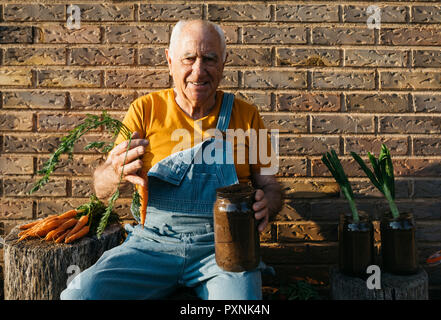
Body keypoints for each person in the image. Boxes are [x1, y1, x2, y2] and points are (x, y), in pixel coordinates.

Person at [60, 19, 282, 300]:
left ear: (224, 62)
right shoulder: (144, 110)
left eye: (209, 59)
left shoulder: (248, 116)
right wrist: (113, 172)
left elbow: (272, 187)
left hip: (224, 247)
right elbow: (101, 188)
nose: (198, 71)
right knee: (80, 295)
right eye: (188, 58)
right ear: (170, 60)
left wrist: (267, 204)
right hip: (151, 244)